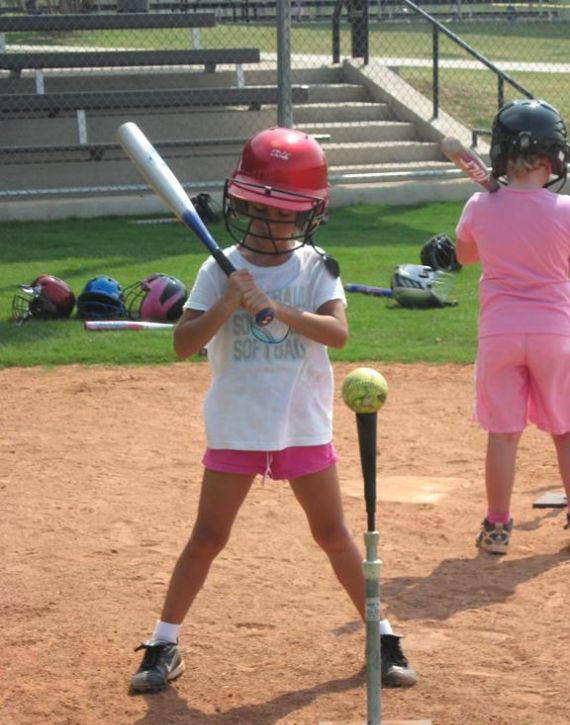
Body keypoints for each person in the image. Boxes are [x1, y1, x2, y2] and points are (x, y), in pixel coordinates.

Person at [130, 126, 417, 693]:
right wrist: (231, 301)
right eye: (260, 212)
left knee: (334, 534)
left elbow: (337, 333)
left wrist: (278, 307)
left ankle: (380, 636)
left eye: (284, 215)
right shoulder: (219, 269)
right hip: (236, 426)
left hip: (301, 426)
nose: (270, 225)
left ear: (308, 216)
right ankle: (163, 643)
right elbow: (183, 344)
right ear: (241, 205)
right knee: (207, 538)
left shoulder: (316, 268)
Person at [455, 99, 570, 554]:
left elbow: (466, 258)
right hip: (555, 333)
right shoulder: (565, 208)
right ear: (549, 160)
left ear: (501, 159)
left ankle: (498, 527)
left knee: (503, 434)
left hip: (500, 333)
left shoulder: (479, 204)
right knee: (565, 430)